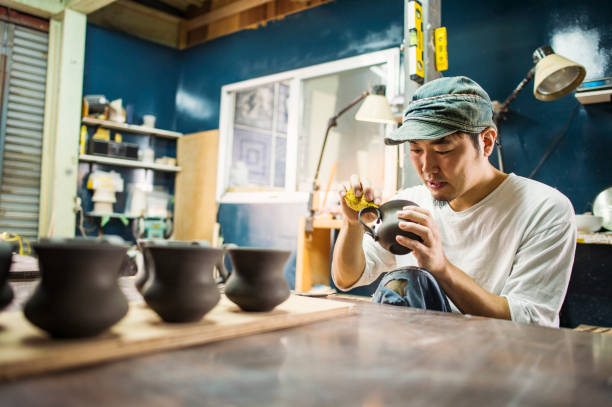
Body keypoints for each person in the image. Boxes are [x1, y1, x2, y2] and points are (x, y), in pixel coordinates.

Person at [331, 76, 576, 327]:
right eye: (415, 150)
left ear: (487, 142)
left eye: (443, 149)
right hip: (419, 355)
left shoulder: (544, 209)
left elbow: (530, 324)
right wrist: (351, 225)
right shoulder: (408, 203)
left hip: (502, 359)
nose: (427, 167)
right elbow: (346, 279)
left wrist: (441, 268)